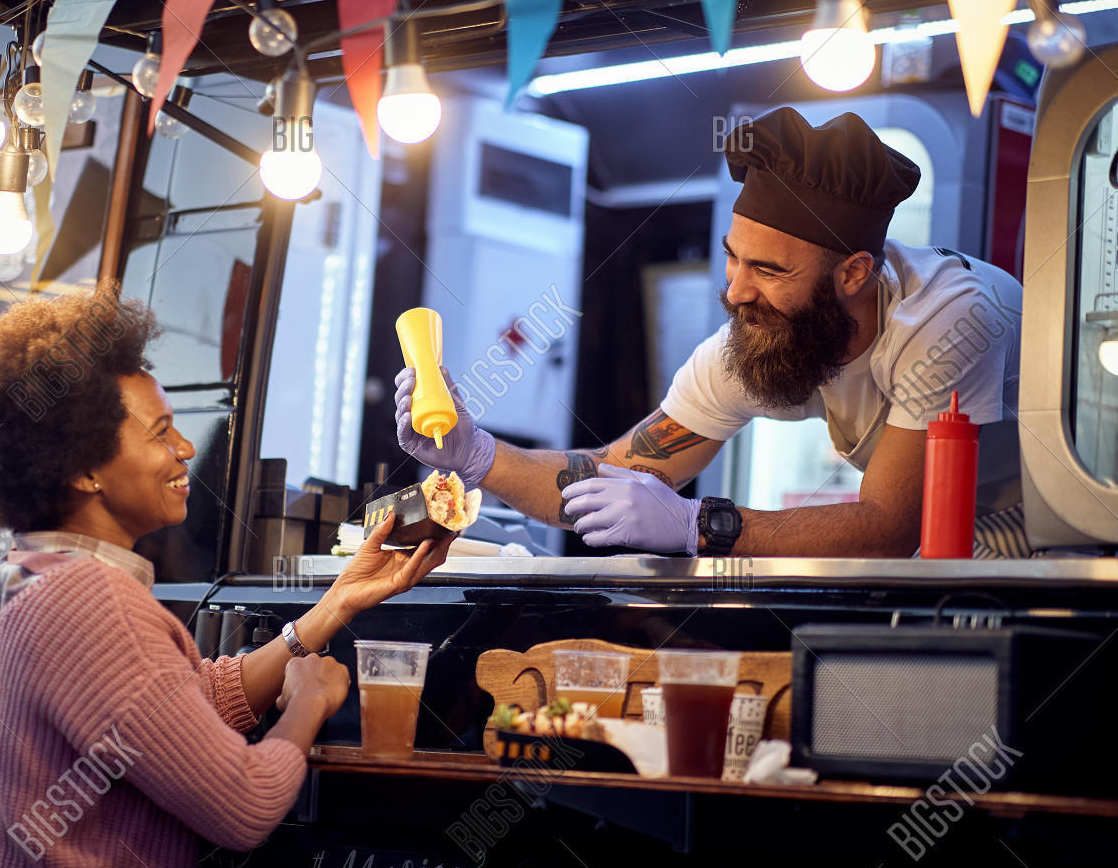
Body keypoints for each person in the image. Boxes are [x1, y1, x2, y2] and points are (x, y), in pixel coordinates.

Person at [0, 288, 452, 868]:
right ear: (83, 470)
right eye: (160, 433)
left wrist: (335, 604)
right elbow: (244, 804)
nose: (185, 449)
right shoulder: (88, 600)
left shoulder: (24, 574)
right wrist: (307, 704)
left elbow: (180, 708)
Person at [396, 106, 1025, 558]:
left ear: (856, 274)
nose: (736, 291)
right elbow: (609, 473)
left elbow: (889, 526)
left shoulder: (947, 317)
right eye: (734, 258)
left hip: (1053, 537)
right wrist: (477, 453)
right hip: (940, 549)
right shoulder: (749, 344)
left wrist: (704, 525)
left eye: (769, 269)